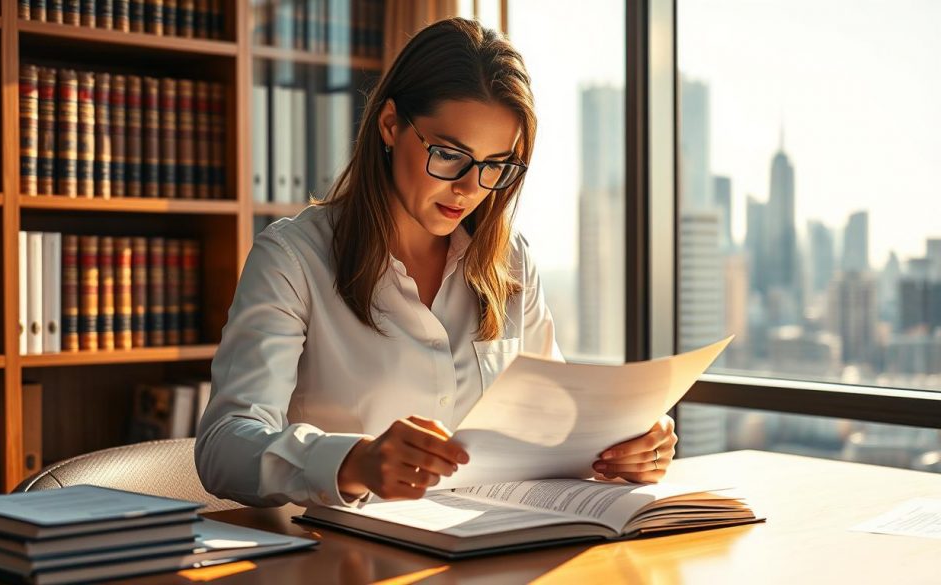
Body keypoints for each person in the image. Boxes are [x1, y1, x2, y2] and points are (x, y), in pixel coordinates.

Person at [195, 17, 677, 508]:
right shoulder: (293, 260)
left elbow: (557, 423)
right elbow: (224, 444)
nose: (470, 188)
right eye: (450, 155)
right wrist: (353, 462)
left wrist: (625, 445)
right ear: (390, 125)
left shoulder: (509, 259)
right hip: (349, 563)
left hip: (498, 547)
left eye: (496, 166)